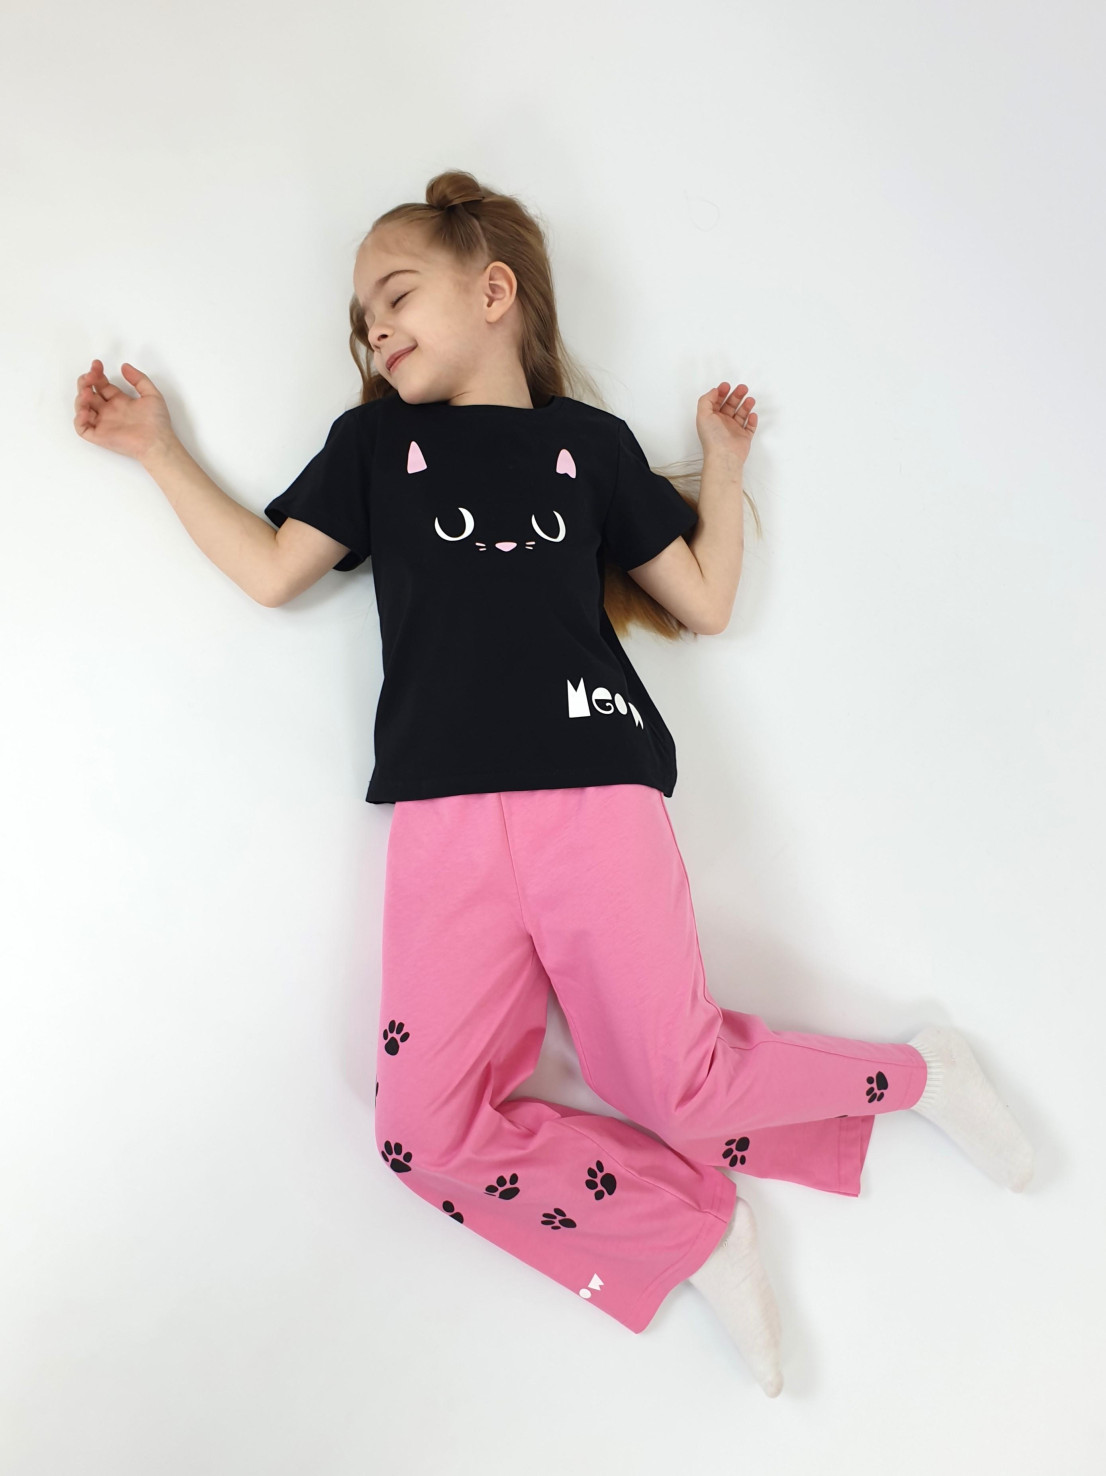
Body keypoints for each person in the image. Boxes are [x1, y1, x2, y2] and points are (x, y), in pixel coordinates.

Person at [72, 169, 1034, 1397]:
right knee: (419, 1133)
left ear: (493, 292)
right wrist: (158, 450)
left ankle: (920, 1074)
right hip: (445, 819)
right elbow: (271, 570)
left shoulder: (591, 446)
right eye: (361, 314)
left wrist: (723, 466)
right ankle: (688, 1232)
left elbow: (704, 601)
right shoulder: (374, 448)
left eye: (395, 294)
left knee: (669, 1085)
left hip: (595, 791)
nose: (373, 326)